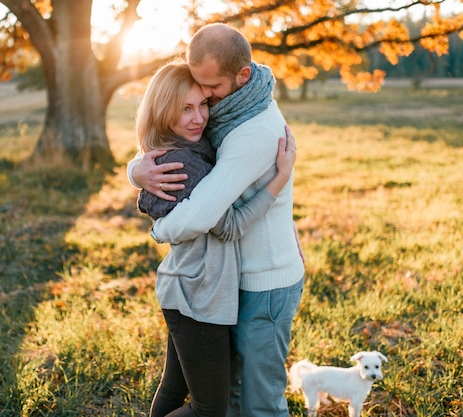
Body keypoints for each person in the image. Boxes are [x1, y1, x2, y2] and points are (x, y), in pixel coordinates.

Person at [128, 24, 305, 417]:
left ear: (242, 76)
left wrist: (159, 227)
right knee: (222, 403)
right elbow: (170, 149)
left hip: (263, 282)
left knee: (258, 405)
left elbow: (205, 216)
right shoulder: (232, 111)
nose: (204, 104)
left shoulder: (250, 132)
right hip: (208, 287)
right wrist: (137, 171)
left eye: (208, 92)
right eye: (195, 94)